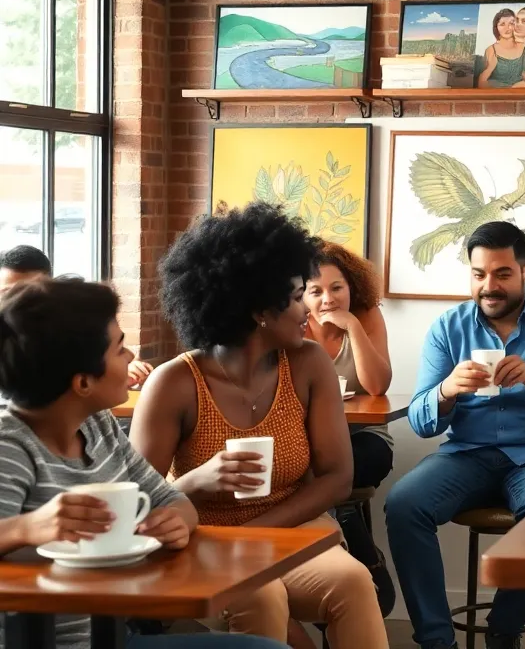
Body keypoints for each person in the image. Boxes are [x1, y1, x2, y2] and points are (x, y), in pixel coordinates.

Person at [129, 203, 388, 649]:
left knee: (354, 581)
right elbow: (135, 503)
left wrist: (260, 532)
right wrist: (194, 480)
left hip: (289, 530)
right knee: (262, 597)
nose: (306, 310)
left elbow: (337, 478)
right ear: (257, 311)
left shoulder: (308, 365)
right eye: (293, 297)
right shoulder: (174, 383)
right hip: (203, 539)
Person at [0, 277, 287, 649]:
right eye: (119, 349)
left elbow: (171, 499)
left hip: (116, 634)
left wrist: (176, 523)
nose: (132, 357)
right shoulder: (11, 445)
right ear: (83, 383)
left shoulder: (99, 425)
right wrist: (25, 528)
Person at [386, 221, 525, 649]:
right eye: (479, 274)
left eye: (502, 273)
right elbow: (420, 421)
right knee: (404, 504)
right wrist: (447, 390)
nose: (489, 286)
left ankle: (503, 633)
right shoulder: (448, 328)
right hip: (467, 454)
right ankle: (436, 640)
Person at [302, 242, 396, 615]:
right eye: (316, 291)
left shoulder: (366, 315)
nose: (328, 299)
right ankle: (358, 553)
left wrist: (353, 326)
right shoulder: (291, 325)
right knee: (304, 470)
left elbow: (377, 386)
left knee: (350, 466)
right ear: (300, 295)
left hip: (363, 439)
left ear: (351, 286)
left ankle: (341, 532)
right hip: (309, 441)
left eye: (336, 287)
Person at [0, 244, 155, 388]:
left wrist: (131, 369)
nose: (17, 303)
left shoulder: (63, 330)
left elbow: (123, 357)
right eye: (7, 294)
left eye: (29, 294)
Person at [478, 8, 525, 88]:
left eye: (511, 23)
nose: (507, 28)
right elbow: (481, 84)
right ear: (496, 27)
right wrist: (490, 67)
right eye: (502, 24)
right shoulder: (491, 50)